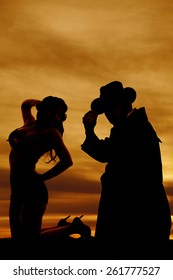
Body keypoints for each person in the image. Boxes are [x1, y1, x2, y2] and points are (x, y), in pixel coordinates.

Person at [81, 81, 171, 243]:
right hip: (137, 214)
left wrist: (89, 131)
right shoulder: (132, 125)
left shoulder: (131, 127)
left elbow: (104, 153)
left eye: (108, 109)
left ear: (119, 105)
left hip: (133, 216)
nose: (107, 115)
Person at [8, 96, 91, 240]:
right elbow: (25, 105)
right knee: (18, 237)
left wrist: (40, 178)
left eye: (57, 114)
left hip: (33, 190)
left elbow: (67, 161)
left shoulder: (51, 133)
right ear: (42, 109)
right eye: (50, 110)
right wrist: (38, 103)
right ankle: (65, 227)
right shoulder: (29, 124)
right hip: (16, 187)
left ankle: (73, 228)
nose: (52, 116)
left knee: (29, 238)